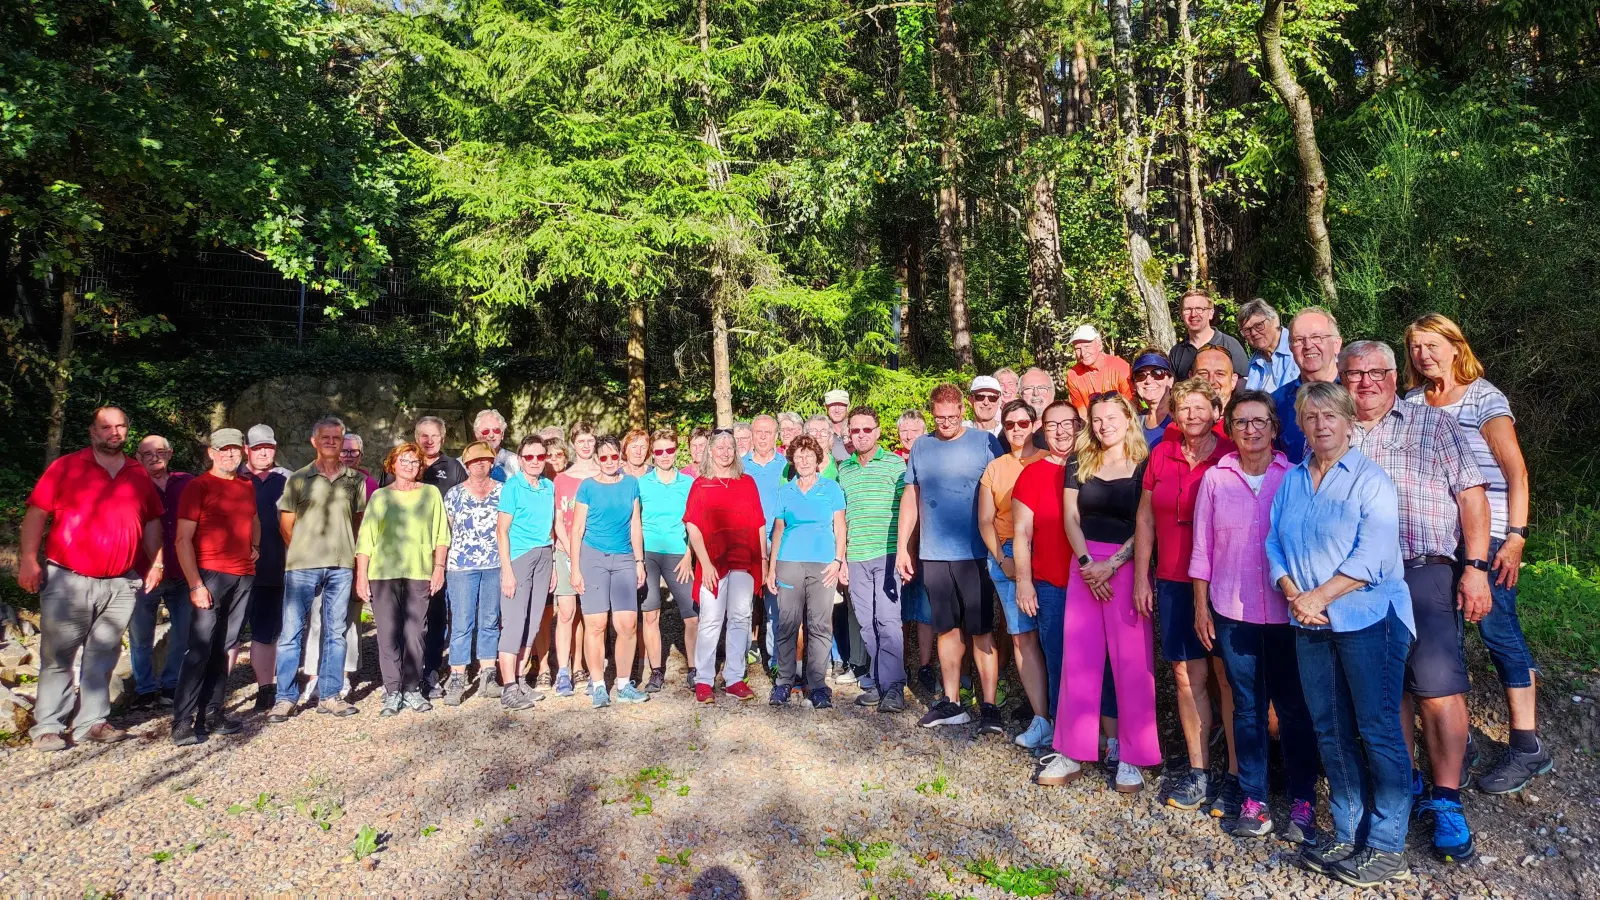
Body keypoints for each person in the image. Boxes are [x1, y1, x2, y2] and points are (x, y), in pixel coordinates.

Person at [1342, 339, 1489, 865]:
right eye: (1354, 374)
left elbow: (1472, 498)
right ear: (1342, 378)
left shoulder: (1434, 425)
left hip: (1424, 572)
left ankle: (1447, 800)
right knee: (1389, 693)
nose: (1365, 382)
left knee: (1437, 689)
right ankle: (1403, 791)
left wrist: (1475, 569)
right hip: (1357, 582)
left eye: (1376, 372)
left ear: (1391, 374)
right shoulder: (1334, 434)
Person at [1266, 380, 1416, 887]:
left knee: (1376, 729)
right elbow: (1273, 541)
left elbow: (1371, 557)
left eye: (1330, 416)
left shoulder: (1371, 481)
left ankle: (1387, 844)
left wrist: (1317, 597)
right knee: (1329, 728)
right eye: (1311, 417)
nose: (1321, 425)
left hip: (1369, 619)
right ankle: (1349, 832)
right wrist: (1292, 591)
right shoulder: (1293, 480)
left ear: (1350, 422)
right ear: (1302, 424)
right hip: (1308, 621)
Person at [1404, 313, 1548, 793]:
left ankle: (1527, 746)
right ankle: (1459, 745)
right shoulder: (1410, 401)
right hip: (1437, 538)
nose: (1425, 355)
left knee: (1497, 628)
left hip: (1488, 535)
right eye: (1417, 347)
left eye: (1433, 345)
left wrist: (1516, 537)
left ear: (1454, 345)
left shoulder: (1483, 397)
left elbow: (1516, 471)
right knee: (1445, 636)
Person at [1190, 391, 1320, 842]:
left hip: (1290, 614)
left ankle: (1303, 801)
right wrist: (1201, 606)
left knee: (1294, 709)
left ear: (1274, 427)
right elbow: (1202, 550)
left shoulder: (1296, 477)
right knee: (1246, 708)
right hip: (1233, 611)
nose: (1250, 430)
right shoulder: (1215, 480)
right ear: (1230, 428)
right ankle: (1254, 799)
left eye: (1259, 421)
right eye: (1241, 422)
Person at [19, 407, 164, 751]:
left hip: (120, 582)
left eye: (121, 426)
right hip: (69, 579)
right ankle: (49, 726)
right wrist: (27, 558)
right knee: (58, 656)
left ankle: (91, 722)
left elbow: (152, 520)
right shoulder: (66, 466)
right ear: (92, 431)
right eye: (106, 427)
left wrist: (156, 563)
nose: (115, 432)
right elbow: (38, 511)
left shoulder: (136, 472)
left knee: (104, 654)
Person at [1035, 393, 1157, 791]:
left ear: (1128, 418)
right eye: (1097, 419)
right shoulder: (1079, 461)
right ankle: (1072, 750)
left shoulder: (1144, 463)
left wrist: (1115, 564)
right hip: (1085, 567)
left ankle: (1131, 755)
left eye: (1111, 417)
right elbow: (1071, 517)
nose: (1104, 425)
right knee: (1080, 661)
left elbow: (1145, 523)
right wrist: (1087, 564)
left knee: (1132, 664)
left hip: (1125, 568)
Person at [1133, 378, 1239, 813]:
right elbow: (1145, 520)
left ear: (1217, 411)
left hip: (1227, 582)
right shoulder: (1161, 453)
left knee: (1229, 678)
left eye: (1201, 408)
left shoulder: (1232, 452)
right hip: (1173, 579)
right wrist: (1143, 576)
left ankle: (1236, 774)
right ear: (1173, 414)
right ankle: (1198, 771)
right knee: (1185, 675)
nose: (1192, 415)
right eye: (1184, 408)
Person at [896, 383, 1005, 733]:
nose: (946, 422)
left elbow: (1004, 492)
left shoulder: (985, 443)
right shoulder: (922, 447)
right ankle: (952, 701)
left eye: (952, 416)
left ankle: (989, 706)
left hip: (975, 553)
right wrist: (903, 547)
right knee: (946, 629)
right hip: (934, 554)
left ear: (963, 410)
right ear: (932, 413)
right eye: (939, 417)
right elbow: (911, 499)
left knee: (981, 630)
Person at [270, 416, 367, 722]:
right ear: (314, 441)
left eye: (336, 438)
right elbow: (286, 525)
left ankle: (329, 695)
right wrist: (304, 549)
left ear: (342, 442)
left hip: (340, 566)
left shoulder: (355, 480)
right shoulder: (298, 479)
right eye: (325, 437)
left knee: (335, 631)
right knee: (290, 633)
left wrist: (346, 551)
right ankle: (284, 698)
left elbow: (357, 521)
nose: (330, 442)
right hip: (302, 566)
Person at [170, 428, 258, 745]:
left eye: (234, 449)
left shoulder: (247, 485)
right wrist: (195, 584)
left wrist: (255, 546)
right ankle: (182, 722)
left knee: (224, 648)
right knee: (200, 649)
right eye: (223, 450)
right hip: (209, 574)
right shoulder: (198, 487)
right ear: (211, 452)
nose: (229, 454)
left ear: (243, 451)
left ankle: (213, 713)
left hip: (243, 575)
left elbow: (254, 518)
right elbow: (182, 540)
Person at [356, 443, 452, 717]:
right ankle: (392, 691)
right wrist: (361, 575)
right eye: (404, 461)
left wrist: (439, 567)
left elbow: (441, 535)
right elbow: (366, 539)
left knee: (415, 633)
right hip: (383, 574)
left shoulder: (430, 494)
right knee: (387, 635)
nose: (409, 466)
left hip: (418, 573)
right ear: (392, 465)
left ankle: (412, 689)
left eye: (414, 461)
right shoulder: (380, 497)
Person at [978, 400, 1051, 748]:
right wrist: (1000, 559)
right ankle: (1042, 717)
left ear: (1034, 424)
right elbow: (984, 520)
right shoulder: (995, 468)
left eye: (1024, 423)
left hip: (1050, 551)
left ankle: (1068, 714)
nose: (1018, 429)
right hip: (1007, 554)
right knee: (1023, 637)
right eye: (1011, 424)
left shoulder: (1051, 460)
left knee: (1054, 635)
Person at [685, 429, 767, 703]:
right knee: (710, 620)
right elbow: (693, 526)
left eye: (729, 447)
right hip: (713, 564)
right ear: (710, 451)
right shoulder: (701, 485)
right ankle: (704, 680)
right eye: (719, 447)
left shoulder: (747, 483)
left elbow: (759, 524)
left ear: (736, 450)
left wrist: (763, 562)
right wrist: (705, 564)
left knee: (741, 618)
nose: (725, 452)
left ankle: (734, 677)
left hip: (744, 561)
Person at [766, 435, 848, 709]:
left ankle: (817, 685)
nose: (803, 461)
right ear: (793, 460)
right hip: (789, 563)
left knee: (820, 625)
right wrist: (771, 567)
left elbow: (840, 527)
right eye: (798, 456)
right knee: (788, 623)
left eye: (808, 456)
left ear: (817, 459)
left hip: (823, 565)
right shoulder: (785, 492)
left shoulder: (832, 488)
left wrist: (838, 560)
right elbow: (778, 530)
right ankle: (785, 682)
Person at [839, 405, 910, 714]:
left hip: (888, 553)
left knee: (888, 621)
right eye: (855, 430)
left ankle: (894, 687)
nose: (862, 435)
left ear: (878, 432)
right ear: (849, 435)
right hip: (855, 556)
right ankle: (880, 681)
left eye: (867, 429)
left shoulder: (896, 465)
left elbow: (910, 510)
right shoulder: (845, 470)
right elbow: (839, 521)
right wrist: (840, 559)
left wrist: (907, 551)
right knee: (867, 623)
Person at [571, 435, 649, 707]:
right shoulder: (587, 487)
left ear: (620, 457)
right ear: (596, 459)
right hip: (593, 559)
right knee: (596, 624)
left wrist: (639, 562)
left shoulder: (631, 484)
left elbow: (635, 524)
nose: (608, 462)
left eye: (613, 456)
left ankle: (624, 683)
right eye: (602, 457)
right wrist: (575, 569)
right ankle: (597, 685)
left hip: (625, 558)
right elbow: (577, 529)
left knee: (627, 624)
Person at [129, 434, 194, 707]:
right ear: (137, 458)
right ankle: (144, 689)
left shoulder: (188, 482)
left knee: (183, 631)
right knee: (140, 635)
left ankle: (171, 684)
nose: (155, 457)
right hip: (142, 571)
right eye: (147, 453)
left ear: (170, 453)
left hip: (181, 571)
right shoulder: (130, 485)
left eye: (160, 452)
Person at [496, 434, 559, 710]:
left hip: (545, 555)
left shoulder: (547, 486)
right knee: (513, 622)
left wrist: (554, 564)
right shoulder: (513, 486)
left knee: (533, 622)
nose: (535, 461)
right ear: (520, 460)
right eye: (529, 457)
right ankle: (508, 687)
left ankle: (521, 680)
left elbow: (552, 529)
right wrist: (507, 571)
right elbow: (502, 530)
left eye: (540, 456)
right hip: (520, 558)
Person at [441, 441, 504, 705]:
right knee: (462, 622)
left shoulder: (503, 491)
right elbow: (447, 530)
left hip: (494, 564)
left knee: (489, 620)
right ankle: (458, 676)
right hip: (461, 567)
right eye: (474, 460)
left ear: (492, 463)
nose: (480, 463)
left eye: (485, 459)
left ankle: (488, 676)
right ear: (466, 465)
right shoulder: (454, 494)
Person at [637, 428, 697, 692]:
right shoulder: (642, 484)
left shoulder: (688, 483)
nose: (664, 456)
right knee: (651, 613)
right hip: (649, 554)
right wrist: (638, 560)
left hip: (678, 554)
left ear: (676, 451)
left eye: (669, 450)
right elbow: (634, 522)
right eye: (658, 451)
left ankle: (695, 669)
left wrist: (689, 556)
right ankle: (656, 671)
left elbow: (696, 523)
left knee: (692, 615)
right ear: (653, 453)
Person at [242, 425, 290, 710]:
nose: (263, 452)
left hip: (275, 566)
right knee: (229, 634)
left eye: (268, 447)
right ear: (247, 448)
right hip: (234, 570)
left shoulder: (289, 479)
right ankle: (217, 692)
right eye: (257, 447)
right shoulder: (233, 478)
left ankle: (265, 688)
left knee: (267, 631)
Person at [893, 408, 936, 690]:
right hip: (897, 543)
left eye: (915, 431)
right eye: (904, 431)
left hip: (929, 542)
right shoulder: (891, 462)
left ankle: (925, 666)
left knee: (924, 608)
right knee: (898, 610)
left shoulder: (931, 457)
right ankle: (900, 663)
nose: (909, 436)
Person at [1273, 306, 1343, 464]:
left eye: (1317, 337)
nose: (1308, 345)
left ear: (1337, 344)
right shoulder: (1277, 402)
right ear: (1291, 348)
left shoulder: (1358, 392)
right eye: (1299, 340)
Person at [743, 415, 786, 662]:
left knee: (775, 604)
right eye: (758, 432)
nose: (762, 437)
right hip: (747, 542)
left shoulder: (786, 466)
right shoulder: (739, 466)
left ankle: (775, 660)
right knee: (743, 603)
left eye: (768, 432)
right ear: (751, 434)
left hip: (779, 541)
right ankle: (741, 657)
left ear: (776, 435)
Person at [552, 431, 589, 695]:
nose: (586, 446)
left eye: (590, 441)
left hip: (593, 552)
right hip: (565, 551)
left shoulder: (602, 475)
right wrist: (569, 551)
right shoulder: (561, 479)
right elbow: (558, 521)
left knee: (591, 615)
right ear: (573, 445)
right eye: (581, 441)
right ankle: (562, 671)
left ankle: (583, 666)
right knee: (566, 612)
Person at [1170, 288, 1249, 379]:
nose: (1193, 314)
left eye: (1199, 309)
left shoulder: (1230, 345)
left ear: (1211, 313)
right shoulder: (1176, 352)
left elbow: (1243, 385)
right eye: (1187, 309)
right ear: (1181, 314)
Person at [1064, 325, 1134, 416]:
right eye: (1078, 349)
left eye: (1087, 346)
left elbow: (1131, 406)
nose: (1083, 353)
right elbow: (1082, 414)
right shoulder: (1073, 375)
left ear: (1099, 345)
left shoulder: (1121, 367)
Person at [1239, 298, 1299, 393]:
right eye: (1247, 330)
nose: (1253, 333)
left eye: (1259, 325)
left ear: (1275, 321)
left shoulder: (1297, 347)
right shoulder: (1255, 361)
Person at [1132, 350, 1175, 446]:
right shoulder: (1134, 424)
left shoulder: (1182, 419)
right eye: (1140, 375)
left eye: (1158, 373)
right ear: (1134, 384)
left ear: (1170, 381)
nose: (1148, 380)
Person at [471, 409, 521, 481]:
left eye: (496, 430)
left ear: (502, 434)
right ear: (477, 435)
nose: (491, 435)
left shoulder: (515, 461)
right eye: (486, 431)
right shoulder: (465, 463)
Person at [1191, 345, 1240, 409]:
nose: (1211, 381)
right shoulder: (1180, 418)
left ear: (1233, 381)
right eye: (1203, 373)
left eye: (1220, 374)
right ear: (1191, 378)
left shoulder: (1246, 417)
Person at [823, 389, 852, 461]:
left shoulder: (856, 430)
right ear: (826, 407)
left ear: (848, 407)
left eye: (841, 405)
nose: (837, 410)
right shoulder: (821, 433)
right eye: (832, 405)